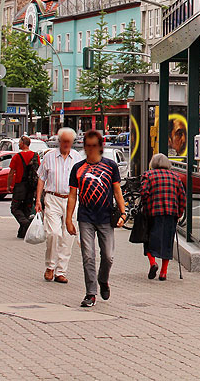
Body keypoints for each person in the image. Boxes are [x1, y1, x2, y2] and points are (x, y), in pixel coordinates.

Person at [65, 130, 126, 307]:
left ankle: (103, 279)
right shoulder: (78, 168)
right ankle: (90, 293)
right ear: (84, 147)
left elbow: (117, 191)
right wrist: (69, 219)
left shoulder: (110, 166)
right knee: (88, 256)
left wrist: (123, 213)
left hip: (106, 217)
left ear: (100, 147)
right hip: (86, 218)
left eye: (94, 146)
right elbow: (72, 195)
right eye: (88, 146)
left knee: (108, 256)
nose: (91, 149)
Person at [36, 127, 83, 284]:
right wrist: (38, 199)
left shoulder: (77, 158)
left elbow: (81, 181)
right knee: (53, 233)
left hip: (71, 199)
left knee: (68, 236)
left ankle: (61, 271)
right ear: (59, 141)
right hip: (52, 198)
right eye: (64, 142)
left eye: (69, 142)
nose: (66, 144)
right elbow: (41, 178)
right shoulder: (49, 156)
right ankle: (50, 266)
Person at [140, 153, 185, 281]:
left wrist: (146, 206)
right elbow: (182, 196)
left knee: (148, 239)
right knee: (167, 242)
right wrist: (179, 213)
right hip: (171, 214)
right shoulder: (175, 177)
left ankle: (153, 263)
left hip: (153, 212)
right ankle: (163, 272)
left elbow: (144, 193)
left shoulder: (148, 175)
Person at [9, 136, 39, 238]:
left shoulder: (17, 156)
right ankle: (22, 233)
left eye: (19, 142)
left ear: (23, 143)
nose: (18, 144)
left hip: (20, 185)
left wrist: (9, 185)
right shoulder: (35, 155)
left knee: (15, 208)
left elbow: (11, 172)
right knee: (27, 208)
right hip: (31, 186)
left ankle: (26, 223)